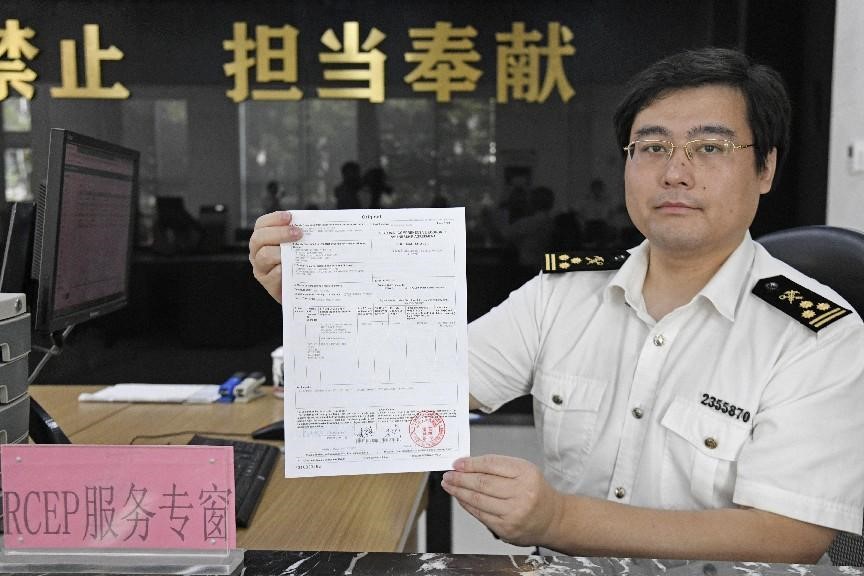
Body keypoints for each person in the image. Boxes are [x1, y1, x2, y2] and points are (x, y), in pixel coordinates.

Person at [248, 47, 864, 563]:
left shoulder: (819, 335)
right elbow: (418, 391)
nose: (676, 172)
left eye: (709, 148)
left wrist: (558, 519)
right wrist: (323, 307)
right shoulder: (562, 294)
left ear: (765, 169)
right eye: (652, 147)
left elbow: (792, 534)